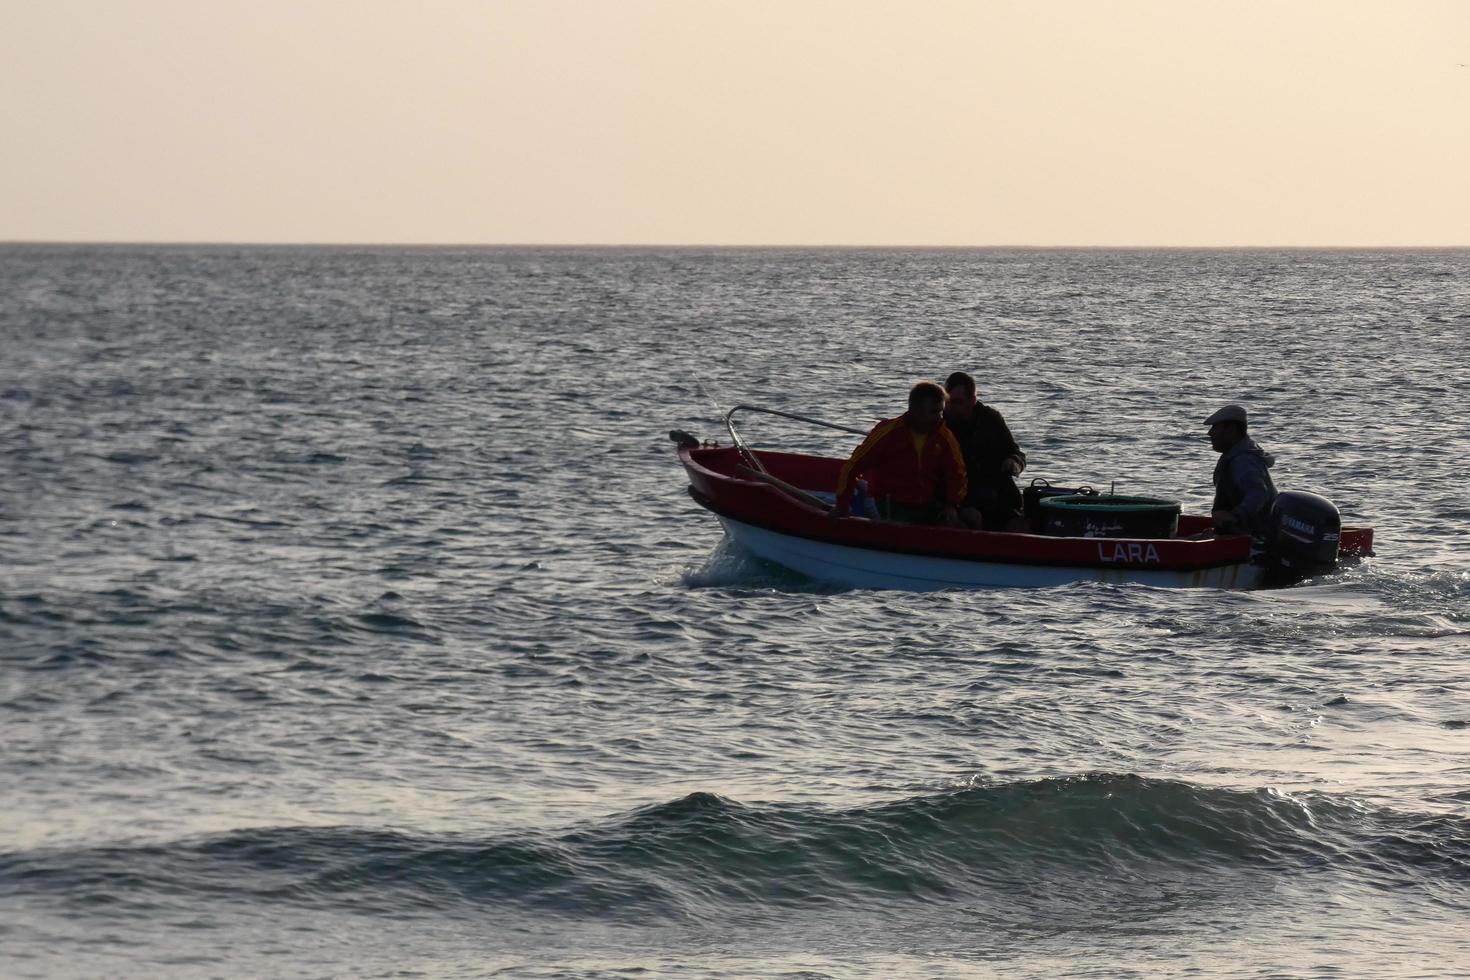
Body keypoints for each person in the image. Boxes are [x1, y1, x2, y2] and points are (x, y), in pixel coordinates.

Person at [831, 382, 967, 525]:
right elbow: (853, 466)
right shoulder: (887, 433)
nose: (940, 418)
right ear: (916, 411)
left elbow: (958, 473)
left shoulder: (944, 435)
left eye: (941, 412)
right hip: (889, 503)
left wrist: (952, 504)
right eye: (934, 412)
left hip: (924, 504)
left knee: (963, 524)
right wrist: (842, 505)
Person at [943, 371, 1027, 531]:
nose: (950, 408)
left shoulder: (991, 419)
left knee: (1019, 525)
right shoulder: (941, 426)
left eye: (956, 402)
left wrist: (1014, 463)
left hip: (999, 496)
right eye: (946, 402)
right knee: (972, 518)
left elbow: (1016, 454)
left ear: (972, 401)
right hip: (964, 499)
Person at [1205, 403, 1277, 536]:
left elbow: (1258, 493)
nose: (1209, 433)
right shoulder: (1233, 455)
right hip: (1241, 533)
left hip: (1254, 537)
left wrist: (1234, 517)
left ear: (1231, 429)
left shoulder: (1243, 460)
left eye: (1215, 427)